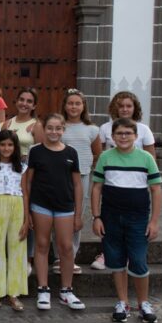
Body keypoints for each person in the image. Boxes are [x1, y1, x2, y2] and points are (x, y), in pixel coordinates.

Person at [90, 118, 162, 323]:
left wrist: (154, 221)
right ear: (112, 137)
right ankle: (123, 302)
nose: (123, 137)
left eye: (127, 133)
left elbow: (156, 190)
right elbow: (96, 187)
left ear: (136, 136)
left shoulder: (146, 158)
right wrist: (96, 217)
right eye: (119, 133)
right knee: (115, 260)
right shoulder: (105, 157)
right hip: (111, 216)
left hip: (138, 217)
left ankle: (143, 303)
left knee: (139, 260)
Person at [91, 91, 157, 270]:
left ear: (135, 108)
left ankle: (132, 256)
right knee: (110, 222)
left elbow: (151, 157)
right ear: (114, 108)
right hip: (113, 180)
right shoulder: (105, 128)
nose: (125, 109)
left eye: (129, 106)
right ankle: (106, 254)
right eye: (121, 106)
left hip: (136, 181)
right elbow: (101, 155)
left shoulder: (144, 129)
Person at [27, 114, 84, 312]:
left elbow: (77, 183)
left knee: (66, 247)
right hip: (41, 204)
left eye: (58, 128)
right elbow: (28, 182)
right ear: (44, 129)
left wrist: (78, 213)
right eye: (49, 128)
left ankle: (66, 290)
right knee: (41, 245)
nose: (53, 132)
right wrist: (27, 211)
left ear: (63, 130)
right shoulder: (36, 152)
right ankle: (43, 289)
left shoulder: (71, 153)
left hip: (65, 205)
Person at [0, 129, 30, 310]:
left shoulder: (22, 167)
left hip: (17, 205)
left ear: (15, 147)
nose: (6, 148)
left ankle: (14, 293)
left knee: (17, 248)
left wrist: (27, 220)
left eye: (10, 145)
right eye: (2, 144)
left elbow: (25, 194)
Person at [57, 88, 101, 274]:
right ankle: (59, 257)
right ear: (65, 106)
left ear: (83, 106)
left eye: (77, 103)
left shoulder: (92, 129)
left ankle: (71, 256)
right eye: (70, 103)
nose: (73, 107)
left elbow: (97, 152)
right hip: (59, 175)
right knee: (58, 216)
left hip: (81, 176)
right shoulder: (59, 126)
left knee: (76, 215)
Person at [2, 87, 44, 162]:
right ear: (17, 102)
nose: (24, 103)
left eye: (29, 101)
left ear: (34, 106)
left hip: (27, 168)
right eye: (21, 99)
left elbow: (40, 153)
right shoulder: (7, 124)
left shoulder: (37, 126)